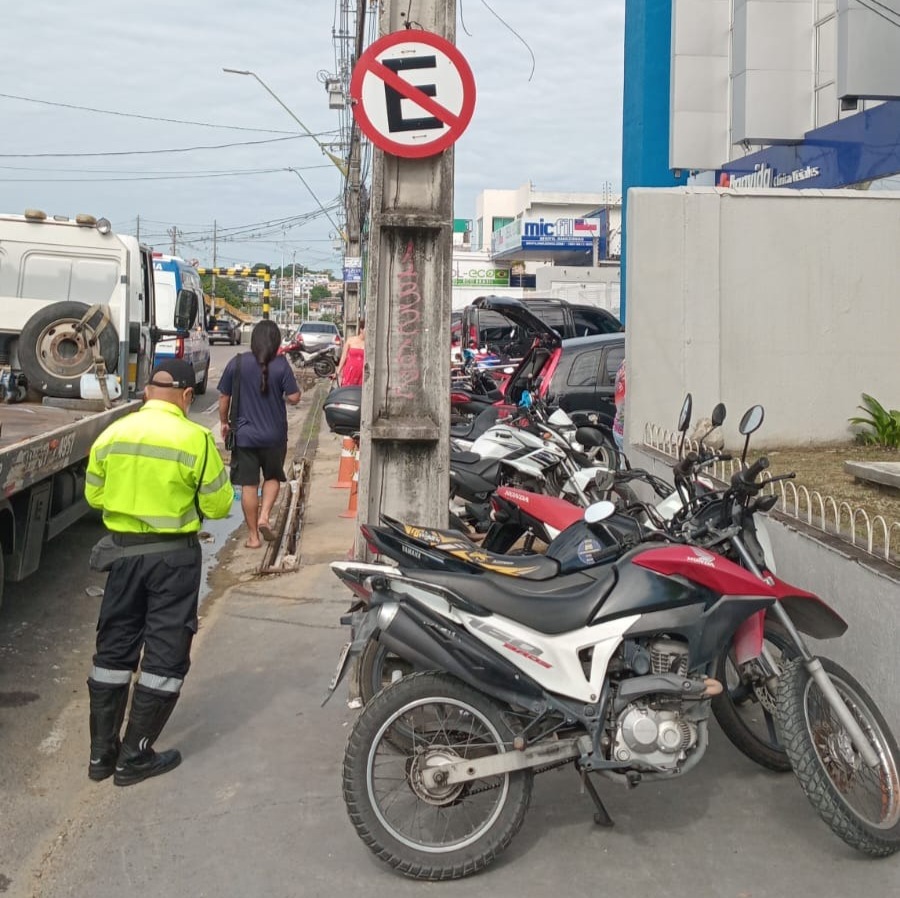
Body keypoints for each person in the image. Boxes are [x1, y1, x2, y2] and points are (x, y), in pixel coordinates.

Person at [84, 359, 233, 787]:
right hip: (173, 560)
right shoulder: (195, 439)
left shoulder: (114, 433)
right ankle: (134, 756)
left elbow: (95, 494)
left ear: (148, 391)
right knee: (165, 657)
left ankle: (100, 757)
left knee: (113, 651)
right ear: (187, 396)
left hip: (123, 558)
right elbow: (220, 507)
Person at [218, 320, 301, 548]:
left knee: (249, 485)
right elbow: (294, 397)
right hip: (274, 435)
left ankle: (253, 537)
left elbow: (224, 397)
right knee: (273, 477)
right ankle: (265, 517)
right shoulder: (282, 365)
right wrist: (280, 396)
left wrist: (224, 422)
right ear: (276, 341)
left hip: (244, 436)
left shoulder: (237, 363)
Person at [335, 318, 365, 387]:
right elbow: (344, 356)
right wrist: (338, 371)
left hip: (362, 372)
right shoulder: (350, 340)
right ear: (361, 329)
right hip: (350, 370)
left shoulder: (369, 344)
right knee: (346, 390)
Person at [612, 357, 626, 452]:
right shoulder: (637, 367)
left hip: (618, 427)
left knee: (624, 464)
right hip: (625, 430)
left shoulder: (624, 364)